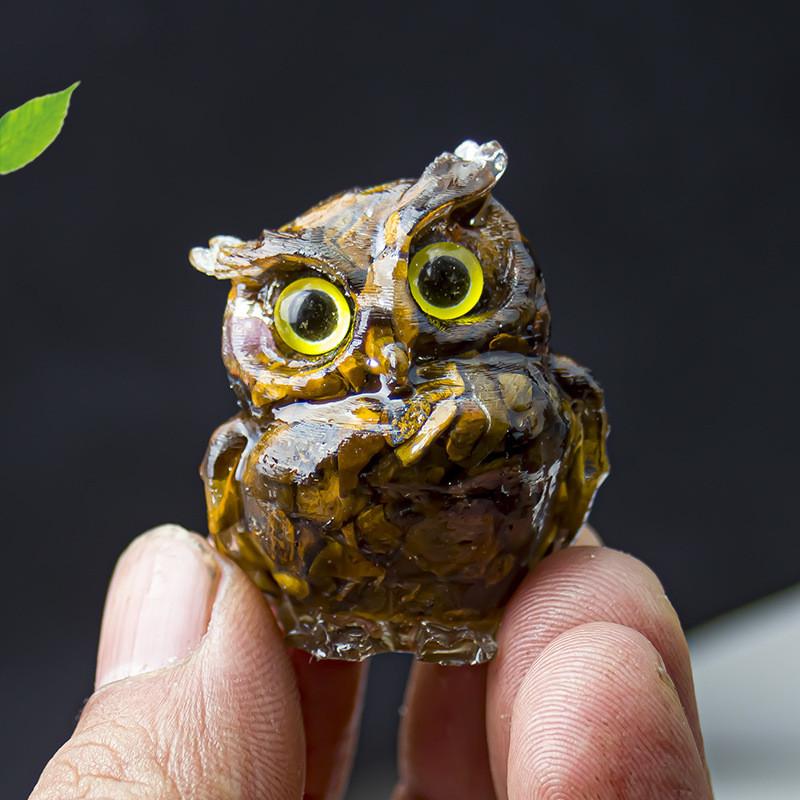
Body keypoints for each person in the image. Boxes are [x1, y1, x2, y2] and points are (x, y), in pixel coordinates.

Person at [30, 524, 713, 799]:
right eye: (317, 316)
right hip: (306, 611)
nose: (386, 350)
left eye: (441, 286)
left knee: (589, 678)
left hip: (498, 595)